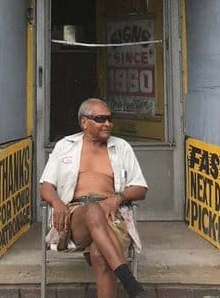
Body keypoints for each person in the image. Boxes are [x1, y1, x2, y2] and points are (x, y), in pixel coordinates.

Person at [39, 98, 148, 298]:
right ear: (84, 123)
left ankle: (131, 287)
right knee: (92, 210)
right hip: (74, 216)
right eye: (100, 119)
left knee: (99, 253)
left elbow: (140, 188)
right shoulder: (65, 146)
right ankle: (131, 284)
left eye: (109, 118)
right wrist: (57, 203)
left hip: (111, 216)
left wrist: (116, 198)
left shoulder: (121, 147)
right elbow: (45, 186)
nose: (107, 123)